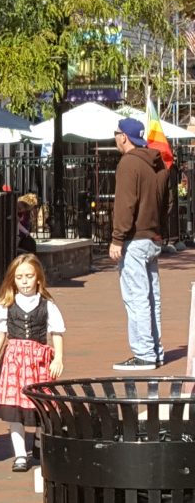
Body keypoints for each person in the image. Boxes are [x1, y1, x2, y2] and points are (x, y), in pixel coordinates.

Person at [0, 254, 65, 472]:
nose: (25, 281)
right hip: (13, 363)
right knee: (14, 409)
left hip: (38, 360)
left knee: (42, 405)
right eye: (20, 277)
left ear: (38, 278)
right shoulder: (6, 305)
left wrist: (58, 357)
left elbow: (57, 332)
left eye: (29, 276)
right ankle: (20, 454)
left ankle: (39, 440)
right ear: (13, 280)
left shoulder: (47, 305)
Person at [110, 118, 171, 370]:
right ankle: (155, 350)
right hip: (153, 237)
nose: (114, 138)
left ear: (124, 136)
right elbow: (167, 203)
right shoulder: (158, 164)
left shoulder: (129, 163)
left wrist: (117, 238)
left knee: (136, 298)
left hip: (135, 240)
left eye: (115, 134)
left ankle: (144, 353)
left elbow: (125, 204)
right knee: (151, 297)